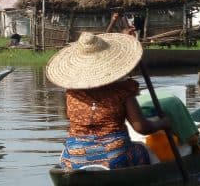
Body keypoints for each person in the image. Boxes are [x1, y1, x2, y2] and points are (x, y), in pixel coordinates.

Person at [46, 32, 170, 170]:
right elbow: (141, 128)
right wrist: (162, 123)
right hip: (114, 156)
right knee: (143, 149)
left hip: (75, 158)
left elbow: (70, 117)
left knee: (66, 153)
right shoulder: (122, 91)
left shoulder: (71, 94)